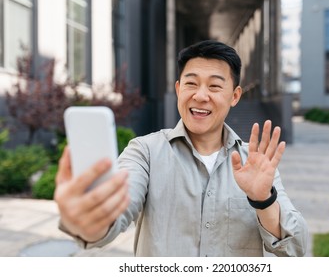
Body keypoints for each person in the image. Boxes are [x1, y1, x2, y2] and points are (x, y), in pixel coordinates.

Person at [55, 40, 308, 257]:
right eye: (191, 83)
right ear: (178, 89)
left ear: (235, 96)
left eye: (215, 86)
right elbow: (115, 215)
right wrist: (88, 219)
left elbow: (296, 247)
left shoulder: (256, 165)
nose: (200, 95)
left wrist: (263, 200)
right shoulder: (145, 152)